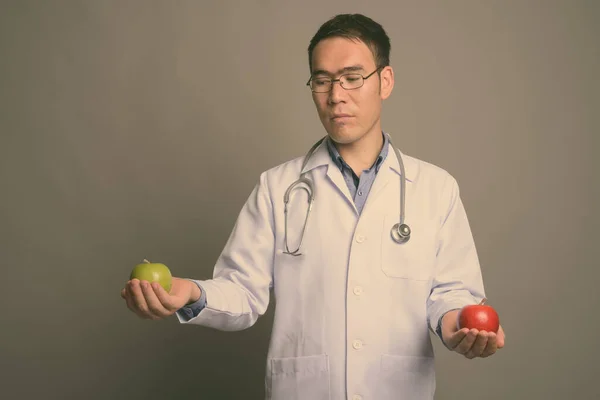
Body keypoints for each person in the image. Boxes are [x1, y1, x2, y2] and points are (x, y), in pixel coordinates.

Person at [121, 13, 505, 400]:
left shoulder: (436, 189)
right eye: (322, 80)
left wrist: (462, 327)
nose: (336, 95)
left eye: (353, 78)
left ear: (384, 81)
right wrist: (188, 292)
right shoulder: (278, 187)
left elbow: (452, 294)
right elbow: (243, 292)